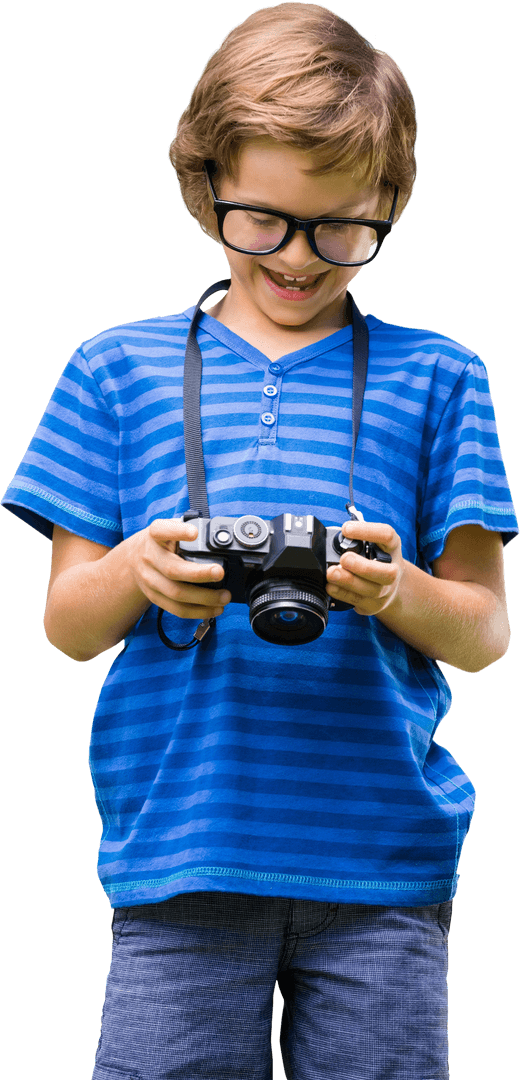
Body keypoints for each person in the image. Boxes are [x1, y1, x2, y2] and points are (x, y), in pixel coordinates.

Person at [2, 4, 517, 1078]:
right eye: (262, 220)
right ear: (205, 189)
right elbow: (65, 626)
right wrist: (142, 569)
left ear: (391, 204)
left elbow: (479, 634)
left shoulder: (442, 378)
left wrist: (389, 591)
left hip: (380, 865)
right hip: (182, 859)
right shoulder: (114, 370)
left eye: (342, 227)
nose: (299, 257)